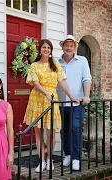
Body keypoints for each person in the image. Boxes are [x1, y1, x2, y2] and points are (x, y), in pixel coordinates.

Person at [23, 39, 78, 173]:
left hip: (51, 99)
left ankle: (49, 159)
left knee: (51, 132)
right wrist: (46, 93)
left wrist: (71, 96)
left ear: (51, 50)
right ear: (40, 49)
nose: (46, 49)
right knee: (38, 132)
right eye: (44, 47)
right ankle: (41, 161)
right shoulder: (34, 65)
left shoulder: (56, 65)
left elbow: (63, 82)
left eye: (48, 47)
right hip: (37, 99)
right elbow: (35, 83)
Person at [57, 35, 92, 171]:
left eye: (71, 46)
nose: (69, 48)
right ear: (63, 47)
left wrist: (87, 95)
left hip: (77, 102)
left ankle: (76, 158)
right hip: (60, 103)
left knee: (76, 128)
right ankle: (68, 154)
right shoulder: (57, 62)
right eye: (66, 45)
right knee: (64, 130)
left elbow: (86, 79)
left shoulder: (82, 61)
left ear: (75, 48)